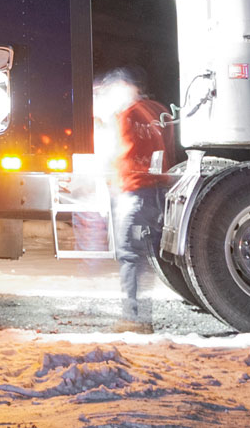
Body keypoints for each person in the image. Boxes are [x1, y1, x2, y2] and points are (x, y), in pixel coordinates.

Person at [94, 67, 170, 332]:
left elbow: (115, 152)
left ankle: (134, 319)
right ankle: (141, 318)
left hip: (134, 191)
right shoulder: (153, 112)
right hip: (153, 192)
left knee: (129, 255)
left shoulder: (126, 115)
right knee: (142, 257)